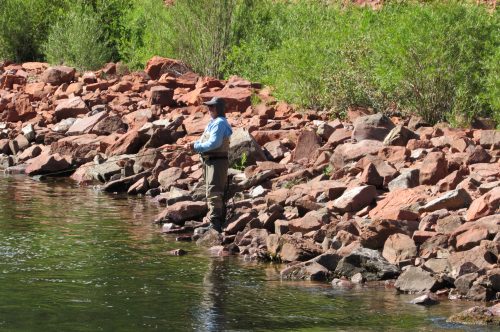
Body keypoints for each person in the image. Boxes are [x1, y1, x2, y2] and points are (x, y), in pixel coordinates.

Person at [186, 97, 232, 233]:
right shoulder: (213, 123)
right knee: (210, 191)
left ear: (219, 109)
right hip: (210, 162)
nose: (209, 109)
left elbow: (214, 144)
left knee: (214, 192)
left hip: (217, 162)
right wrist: (195, 145)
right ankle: (215, 220)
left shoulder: (220, 123)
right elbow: (204, 141)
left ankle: (216, 224)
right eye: (209, 107)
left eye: (212, 107)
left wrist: (195, 146)